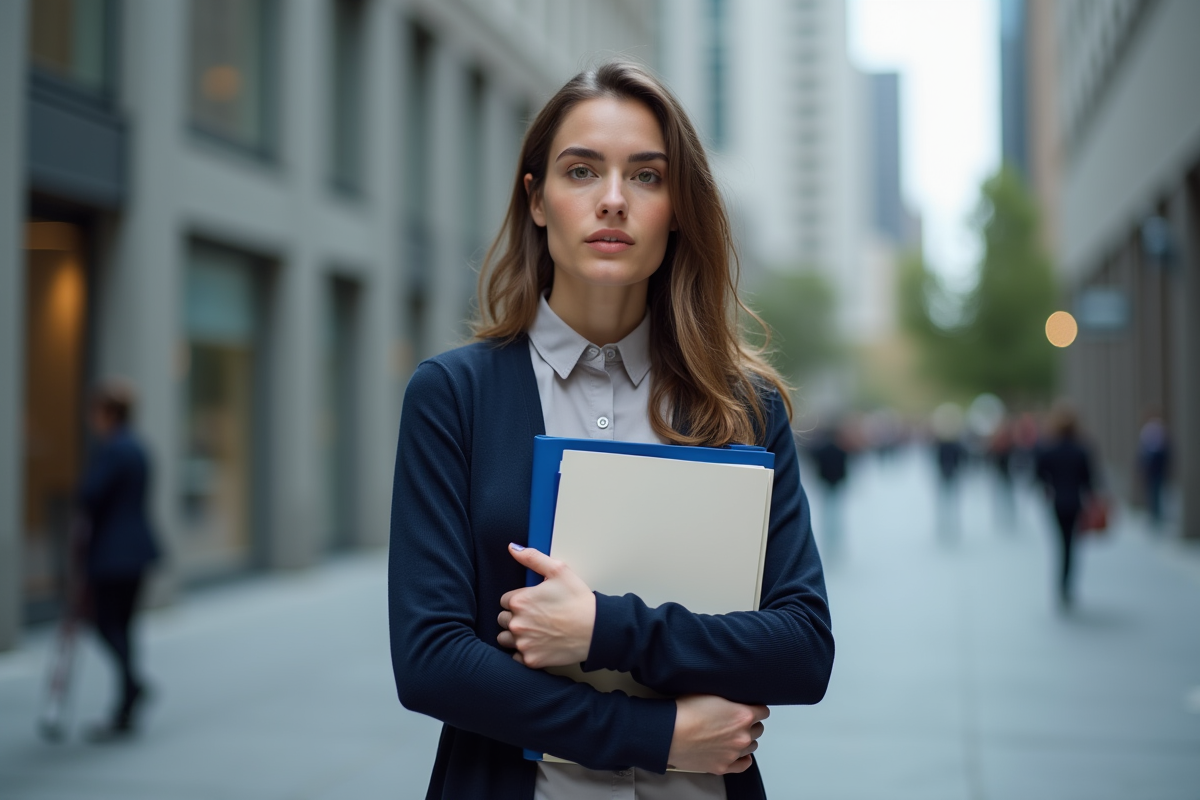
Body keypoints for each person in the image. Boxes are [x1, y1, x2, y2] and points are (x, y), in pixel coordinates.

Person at [389, 61, 834, 800]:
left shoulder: (745, 405)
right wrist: (653, 737)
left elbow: (802, 651)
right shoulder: (453, 397)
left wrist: (604, 629)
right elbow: (431, 659)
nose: (614, 200)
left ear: (679, 208)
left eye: (648, 177)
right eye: (582, 171)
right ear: (537, 200)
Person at [77, 381, 160, 739]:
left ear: (108, 413)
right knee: (123, 626)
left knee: (105, 622)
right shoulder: (139, 448)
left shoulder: (112, 450)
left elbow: (90, 495)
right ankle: (128, 699)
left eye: (96, 412)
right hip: (137, 549)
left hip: (112, 553)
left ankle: (131, 686)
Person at [1035, 402, 1096, 609]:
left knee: (1060, 544)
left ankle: (1061, 585)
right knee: (1071, 545)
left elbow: (1038, 476)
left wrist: (1049, 487)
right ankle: (1067, 585)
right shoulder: (1082, 450)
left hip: (1057, 502)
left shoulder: (1048, 449)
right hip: (1075, 502)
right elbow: (1089, 481)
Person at [1136, 412, 1170, 528]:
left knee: (1155, 491)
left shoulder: (1156, 432)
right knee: (1154, 492)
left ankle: (1155, 514)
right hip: (1153, 469)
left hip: (1155, 469)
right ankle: (1155, 514)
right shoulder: (1152, 432)